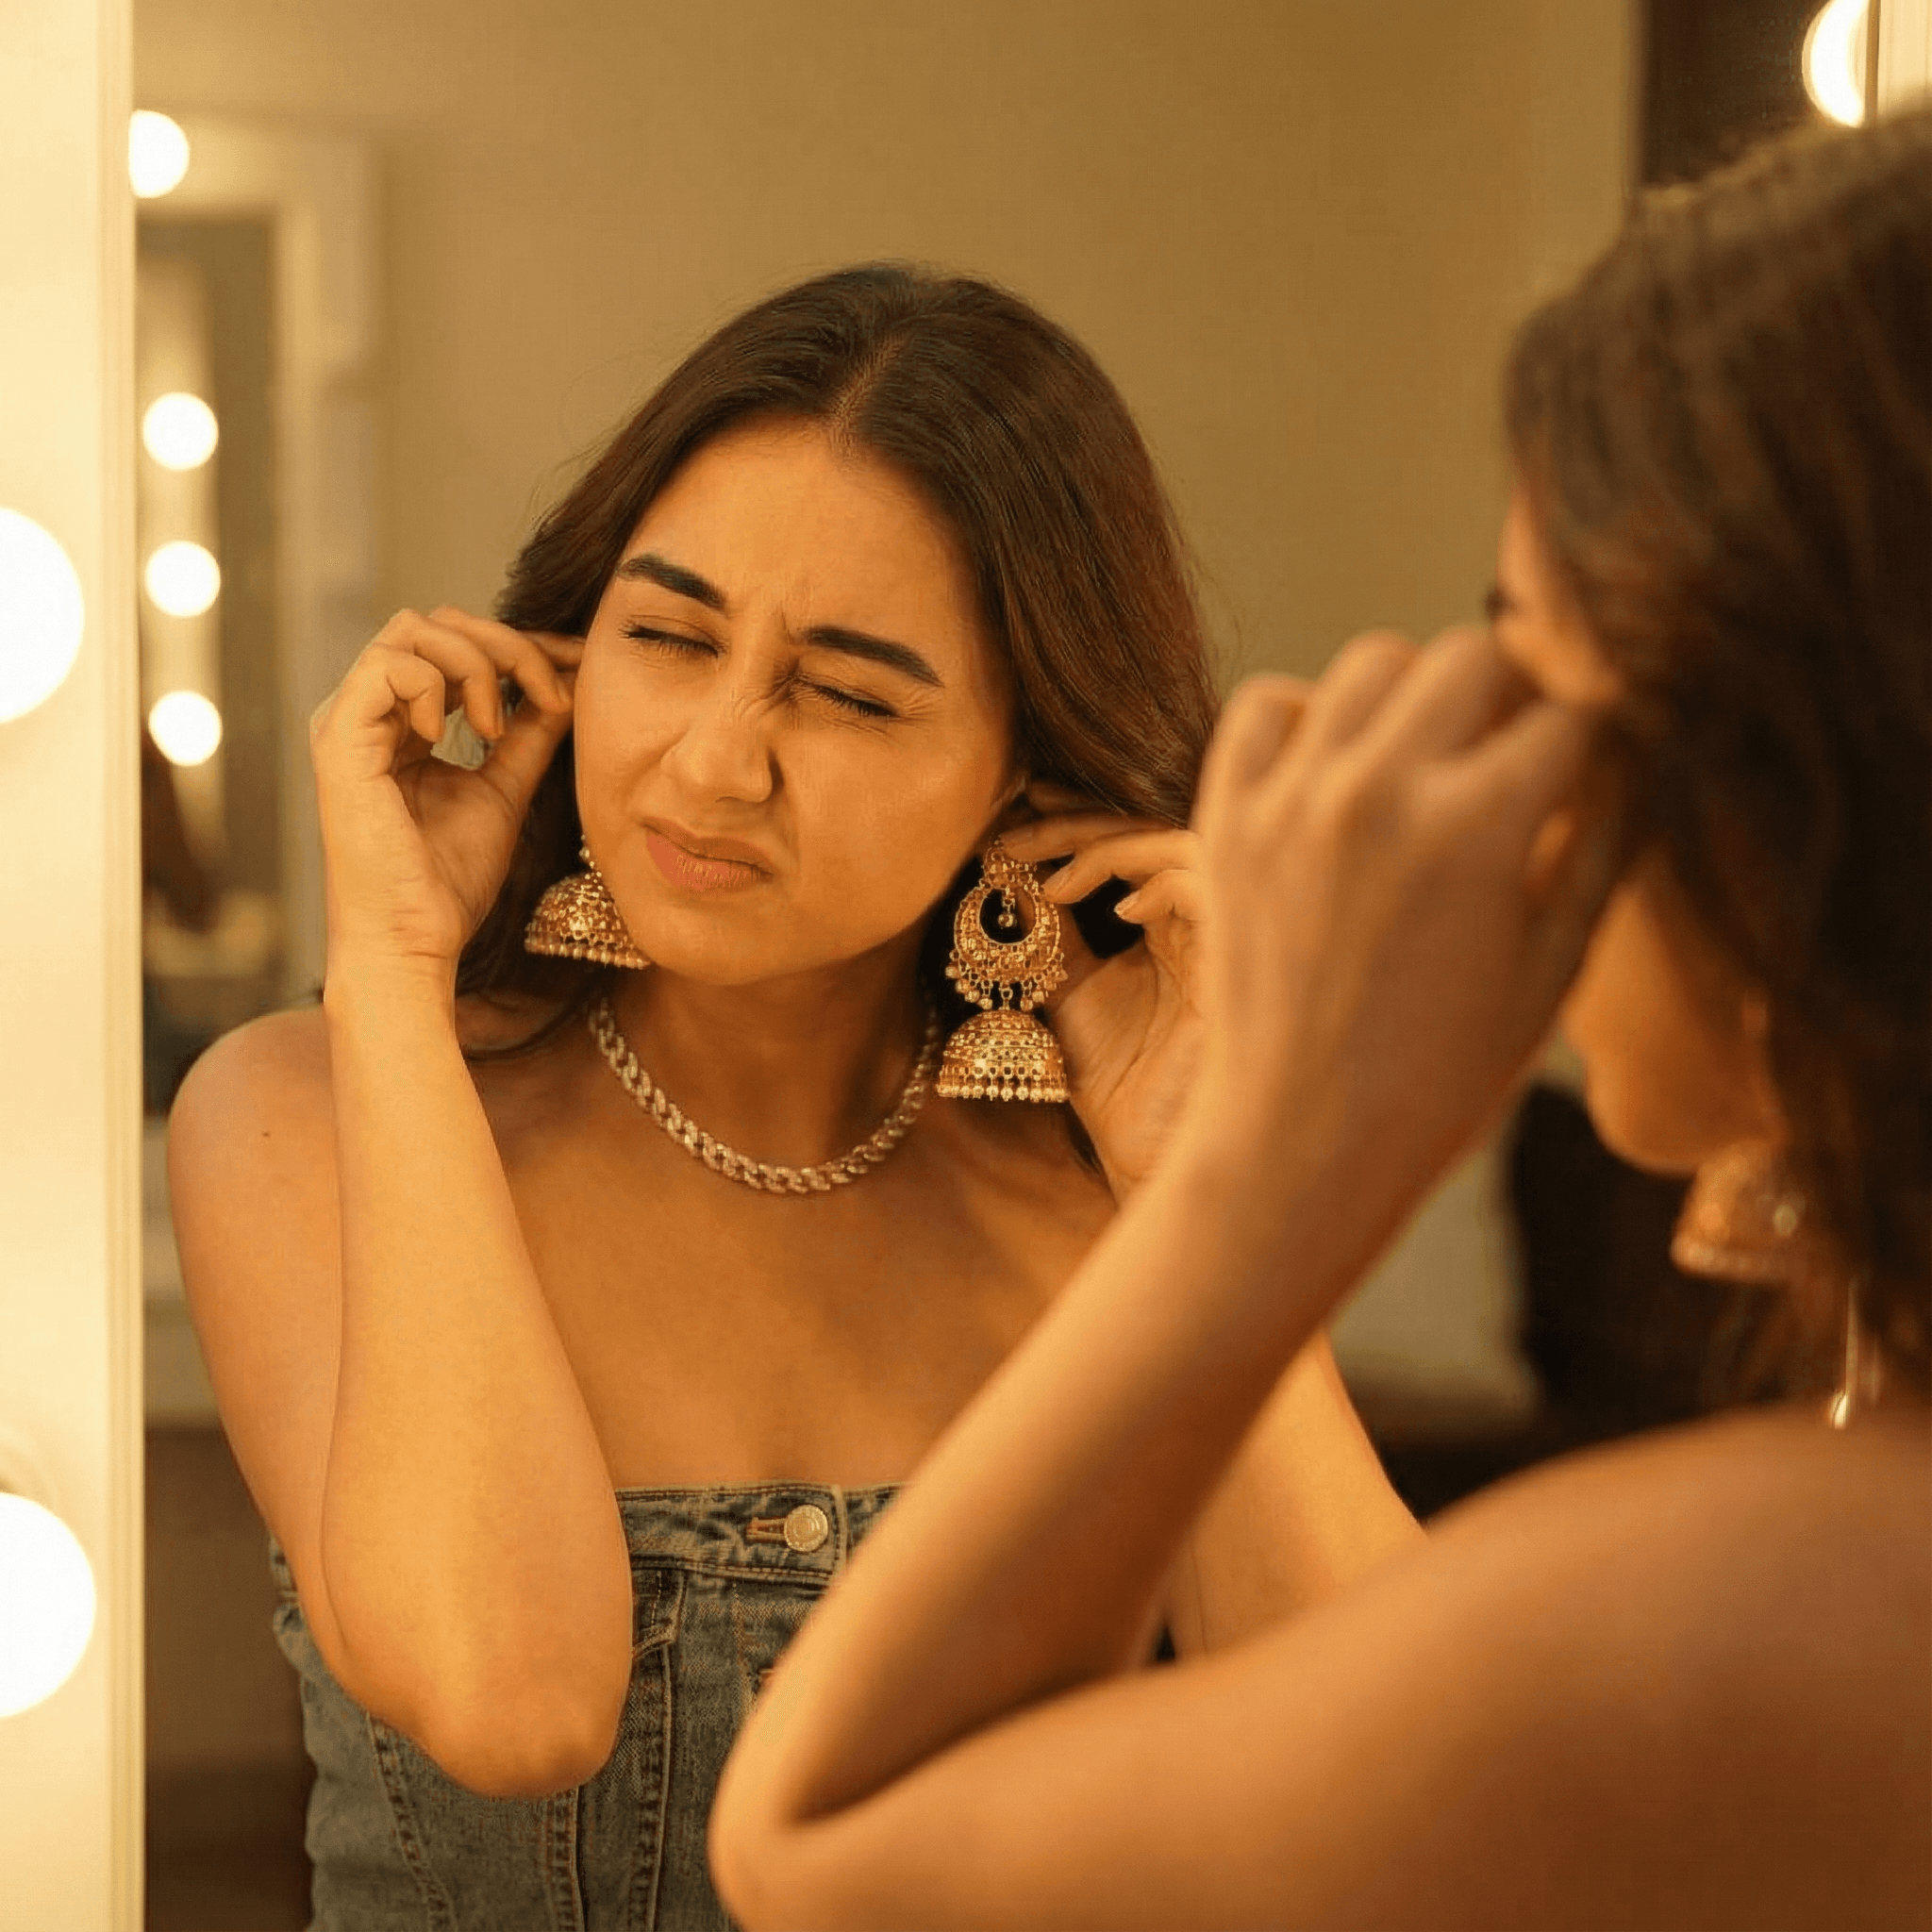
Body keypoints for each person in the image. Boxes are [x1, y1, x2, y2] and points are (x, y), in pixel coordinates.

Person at [708, 114, 1932, 1931]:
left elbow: (827, 1849)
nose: (1443, 733)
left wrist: (1277, 1160)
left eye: (1530, 658)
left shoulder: (1796, 1613)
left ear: (1783, 773)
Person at [167, 265, 1419, 1928]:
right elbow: (514, 1702)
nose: (711, 760)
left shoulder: (1104, 1195)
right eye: (670, 637)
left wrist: (1208, 1195)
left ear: (1027, 769)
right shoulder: (306, 1113)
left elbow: (1389, 1809)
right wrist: (394, 969)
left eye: (845, 692)